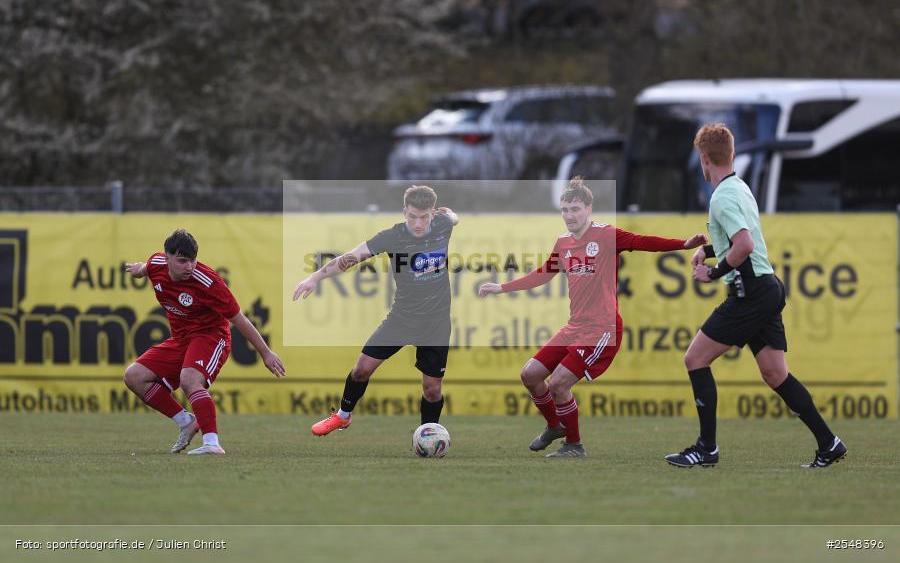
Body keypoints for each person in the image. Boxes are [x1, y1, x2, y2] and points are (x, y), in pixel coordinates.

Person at [479, 178, 707, 458]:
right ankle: (554, 426)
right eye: (564, 210)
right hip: (575, 326)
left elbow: (642, 241)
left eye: (575, 209)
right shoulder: (563, 242)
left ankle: (574, 445)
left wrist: (683, 244)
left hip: (602, 328)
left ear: (588, 209)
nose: (569, 216)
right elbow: (544, 274)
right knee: (530, 374)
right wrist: (502, 287)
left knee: (559, 383)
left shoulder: (606, 234)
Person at [665, 123, 847, 468]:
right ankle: (829, 443)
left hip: (749, 292)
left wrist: (713, 272)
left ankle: (706, 449)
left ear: (704, 159)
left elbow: (745, 245)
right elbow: (743, 243)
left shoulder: (721, 197)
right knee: (775, 374)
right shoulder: (740, 188)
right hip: (767, 286)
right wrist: (712, 251)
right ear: (731, 154)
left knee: (695, 359)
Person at [293, 185, 458, 435]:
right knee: (361, 370)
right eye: (412, 216)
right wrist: (315, 277)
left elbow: (453, 218)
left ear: (433, 214)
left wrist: (453, 216)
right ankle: (343, 416)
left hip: (436, 323)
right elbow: (351, 257)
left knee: (432, 389)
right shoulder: (393, 236)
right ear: (404, 212)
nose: (417, 223)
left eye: (423, 217)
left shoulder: (442, 225)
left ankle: (428, 435)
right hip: (402, 318)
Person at [123, 229, 285, 455]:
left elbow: (240, 319)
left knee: (189, 380)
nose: (189, 267)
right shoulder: (156, 264)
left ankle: (211, 443)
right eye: (182, 261)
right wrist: (137, 270)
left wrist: (266, 353)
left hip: (211, 336)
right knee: (134, 376)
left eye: (192, 260)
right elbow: (144, 268)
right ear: (167, 257)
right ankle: (186, 422)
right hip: (181, 339)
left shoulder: (209, 282)